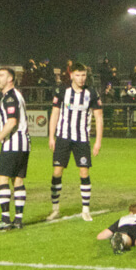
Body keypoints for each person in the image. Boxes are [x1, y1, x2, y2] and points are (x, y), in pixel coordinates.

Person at [46, 63, 103, 222]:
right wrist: (51, 136)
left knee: (84, 172)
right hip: (63, 137)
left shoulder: (91, 93)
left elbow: (99, 118)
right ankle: (55, 209)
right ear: (71, 75)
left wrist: (98, 141)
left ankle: (85, 209)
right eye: (78, 75)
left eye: (84, 75)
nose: (81, 78)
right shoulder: (62, 91)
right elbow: (55, 114)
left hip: (82, 139)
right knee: (57, 172)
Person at [0, 67, 30, 230]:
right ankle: (18, 220)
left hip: (13, 144)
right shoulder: (16, 96)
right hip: (23, 144)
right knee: (17, 180)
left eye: (1, 75)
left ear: (10, 79)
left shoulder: (10, 97)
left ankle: (5, 218)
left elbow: (11, 122)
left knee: (1, 178)